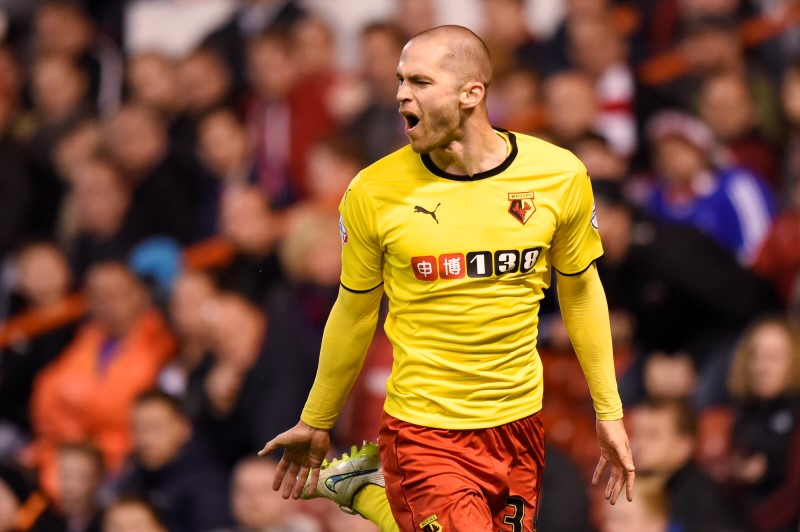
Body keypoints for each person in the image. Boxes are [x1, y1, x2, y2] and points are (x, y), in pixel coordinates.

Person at [261, 25, 634, 532]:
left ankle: (376, 493)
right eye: (399, 81)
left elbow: (581, 290)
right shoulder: (373, 192)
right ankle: (387, 487)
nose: (400, 95)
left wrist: (608, 409)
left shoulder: (559, 176)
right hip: (424, 429)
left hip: (517, 426)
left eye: (419, 81)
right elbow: (353, 311)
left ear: (470, 93)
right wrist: (317, 418)